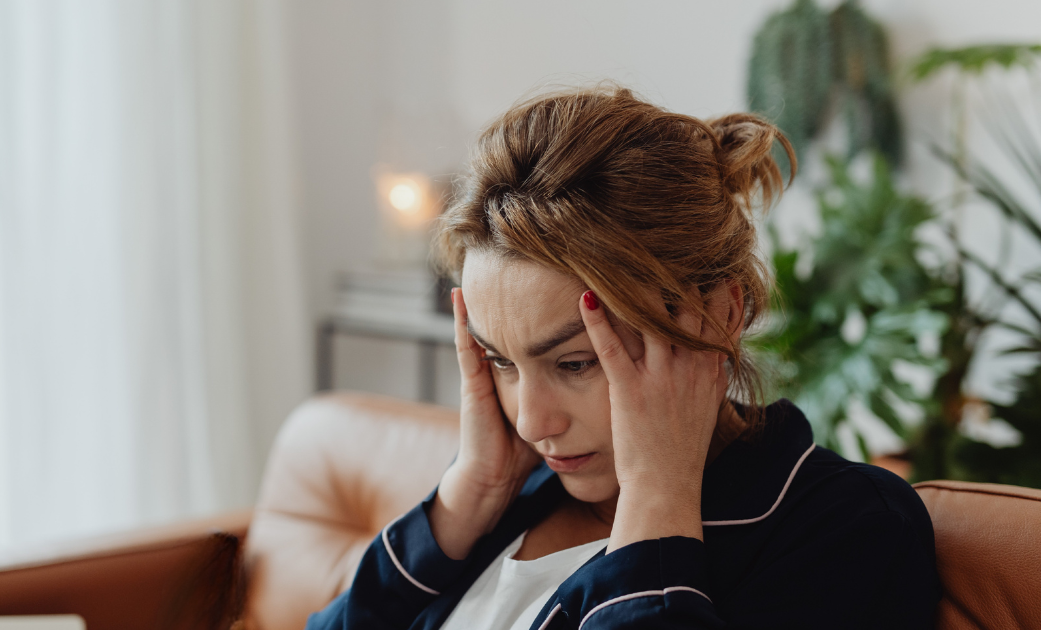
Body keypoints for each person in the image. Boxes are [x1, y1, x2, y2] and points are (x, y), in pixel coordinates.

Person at [306, 85, 940, 630]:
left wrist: (659, 498)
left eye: (576, 362)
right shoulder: (512, 495)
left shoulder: (844, 529)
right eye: (502, 362)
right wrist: (463, 502)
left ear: (720, 313)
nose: (532, 422)